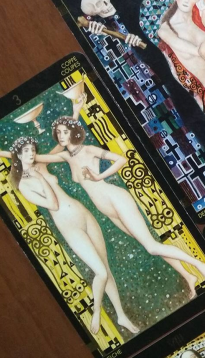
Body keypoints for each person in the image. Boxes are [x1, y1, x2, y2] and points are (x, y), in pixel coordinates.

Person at [44, 111, 205, 299]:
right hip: (107, 209)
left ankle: (200, 265)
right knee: (150, 245)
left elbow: (121, 159)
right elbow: (38, 159)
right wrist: (71, 121)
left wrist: (100, 176)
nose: (61, 136)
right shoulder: (66, 157)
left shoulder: (89, 150)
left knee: (151, 247)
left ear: (73, 132)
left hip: (115, 199)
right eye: (58, 133)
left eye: (65, 132)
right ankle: (189, 276)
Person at [80, 0, 205, 209]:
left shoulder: (114, 23)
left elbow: (129, 43)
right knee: (165, 145)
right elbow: (107, 61)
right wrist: (97, 33)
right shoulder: (93, 35)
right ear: (92, 14)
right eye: (100, 4)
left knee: (183, 135)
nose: (107, 4)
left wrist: (126, 37)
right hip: (135, 98)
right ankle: (198, 198)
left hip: (152, 89)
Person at [1, 137, 139, 335]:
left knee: (106, 268)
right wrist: (40, 177)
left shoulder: (41, 163)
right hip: (68, 225)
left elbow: (62, 145)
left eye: (32, 150)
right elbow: (53, 204)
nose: (31, 154)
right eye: (26, 151)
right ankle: (97, 311)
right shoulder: (23, 184)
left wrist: (70, 122)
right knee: (100, 272)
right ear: (18, 156)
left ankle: (121, 315)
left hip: (82, 212)